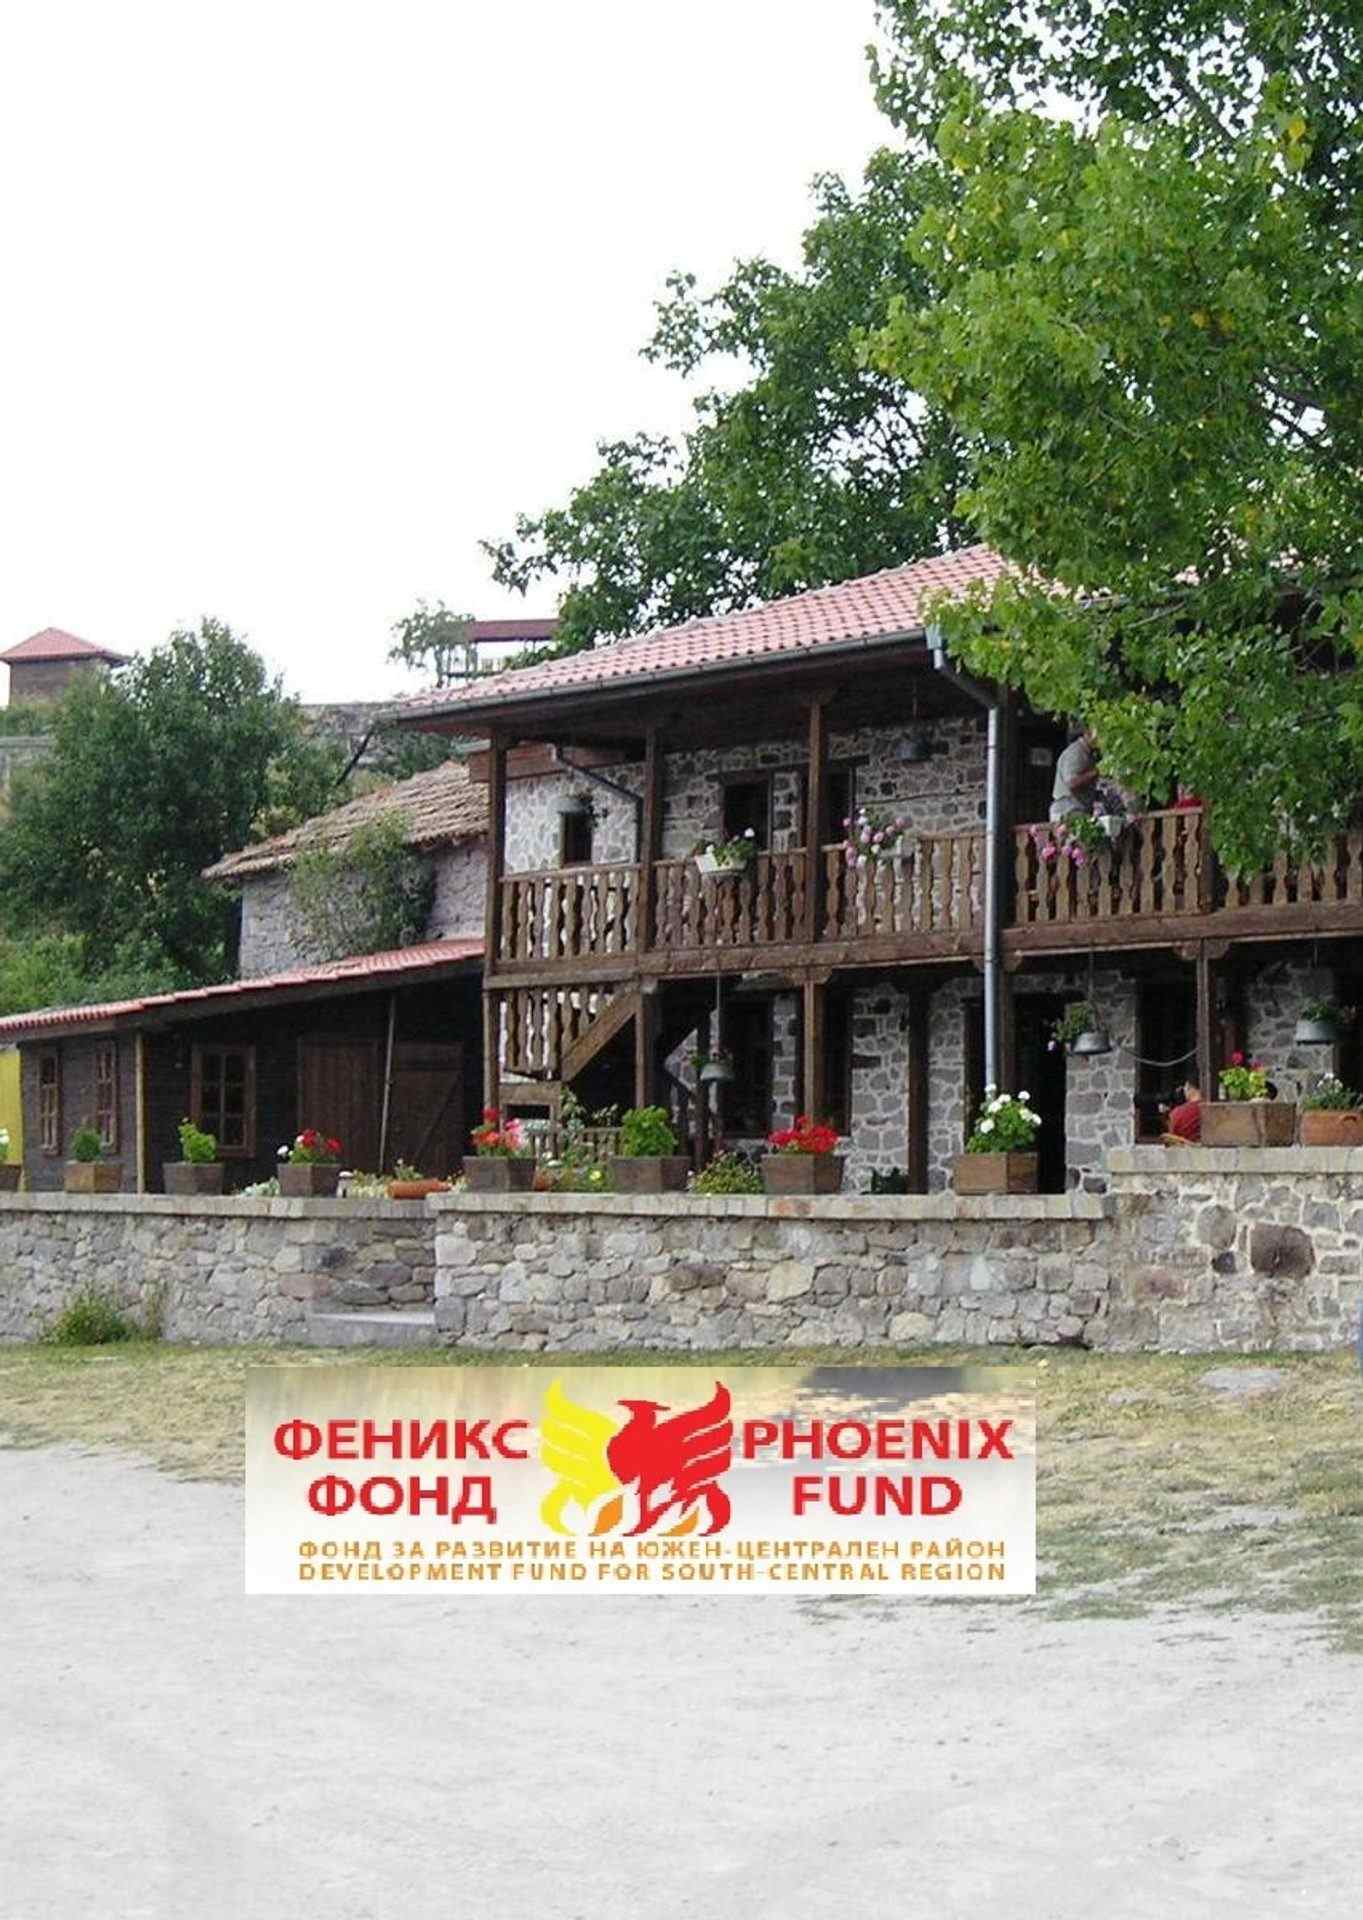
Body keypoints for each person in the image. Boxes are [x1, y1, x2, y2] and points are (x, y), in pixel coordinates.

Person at [1050, 727, 1100, 822]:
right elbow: (1072, 782)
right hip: (1069, 809)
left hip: (1073, 809)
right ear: (1088, 733)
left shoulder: (1087, 753)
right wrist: (1096, 772)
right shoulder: (1076, 752)